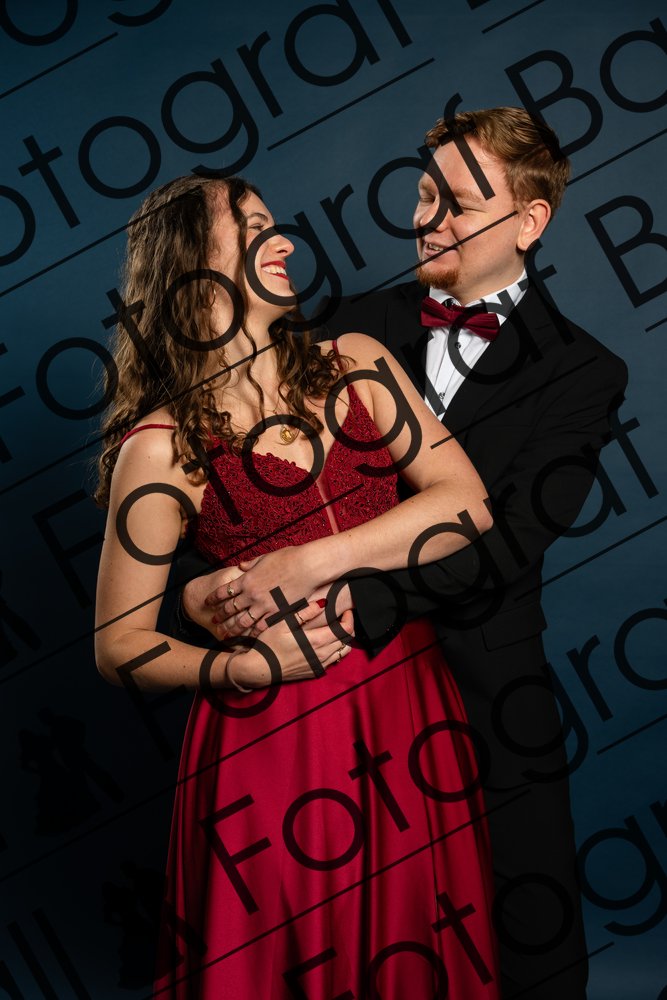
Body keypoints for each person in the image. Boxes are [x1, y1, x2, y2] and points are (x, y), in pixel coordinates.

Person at [181, 109, 629, 999]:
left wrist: (364, 597)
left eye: (458, 204)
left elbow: (510, 537)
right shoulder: (347, 327)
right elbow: (240, 488)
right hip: (331, 694)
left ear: (529, 222)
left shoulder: (584, 371)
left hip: (487, 687)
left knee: (522, 935)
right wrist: (198, 594)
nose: (428, 219)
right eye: (424, 195)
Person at [94, 174, 502, 998]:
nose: (282, 240)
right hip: (270, 735)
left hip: (409, 702)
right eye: (252, 228)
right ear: (191, 265)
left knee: (419, 938)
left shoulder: (357, 362)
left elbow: (465, 504)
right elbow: (118, 645)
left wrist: (311, 560)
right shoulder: (159, 446)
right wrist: (240, 667)